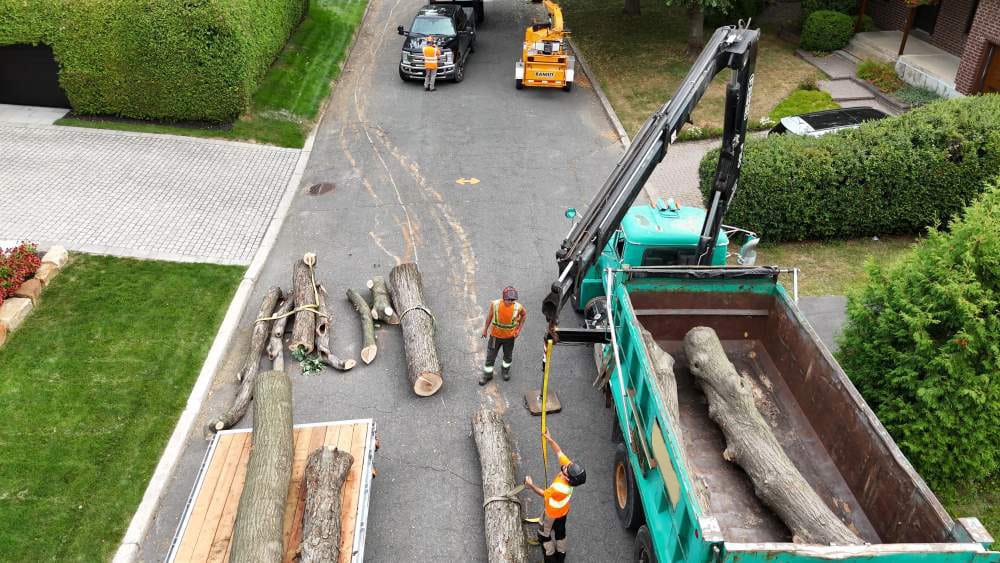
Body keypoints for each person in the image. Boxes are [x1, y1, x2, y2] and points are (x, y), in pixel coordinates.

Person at [524, 430, 586, 563]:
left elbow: (543, 493)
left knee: (543, 536)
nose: (565, 466)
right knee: (560, 532)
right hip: (563, 512)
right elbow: (559, 452)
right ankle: (561, 554)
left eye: (567, 470)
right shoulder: (570, 474)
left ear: (568, 479)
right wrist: (550, 440)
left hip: (551, 514)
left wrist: (530, 485)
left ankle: (550, 558)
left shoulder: (559, 487)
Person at [480, 286, 527, 385]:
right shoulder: (495, 304)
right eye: (508, 299)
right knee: (490, 356)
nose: (511, 301)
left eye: (513, 300)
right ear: (503, 298)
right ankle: (487, 375)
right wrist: (485, 329)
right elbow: (489, 317)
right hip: (495, 337)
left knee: (508, 356)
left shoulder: (518, 307)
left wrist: (518, 330)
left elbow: (524, 315)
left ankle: (505, 371)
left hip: (509, 338)